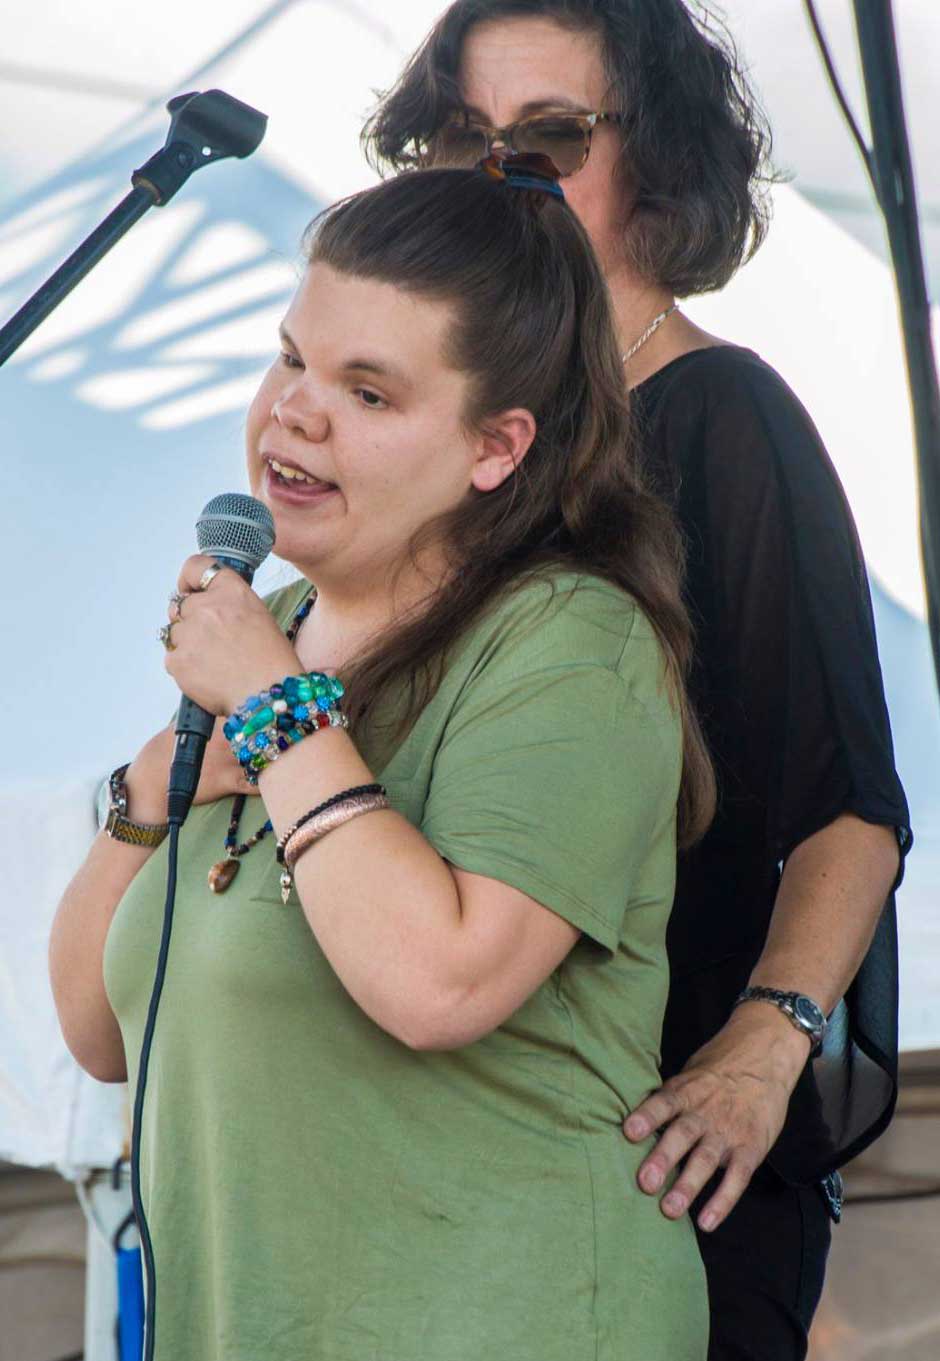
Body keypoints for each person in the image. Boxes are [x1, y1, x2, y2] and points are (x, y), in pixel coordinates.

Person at [49, 156, 717, 1360]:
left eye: (368, 391)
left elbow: (439, 984)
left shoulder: (572, 641)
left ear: (495, 447)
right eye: (292, 357)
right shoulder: (276, 633)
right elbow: (104, 1032)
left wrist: (274, 709)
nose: (294, 411)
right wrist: (142, 797)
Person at [362, 2, 911, 1358]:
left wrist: (765, 1047)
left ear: (656, 165)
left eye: (549, 139)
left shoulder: (724, 419)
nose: (505, 178)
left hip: (667, 1166)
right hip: (460, 1155)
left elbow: (849, 809)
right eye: (466, 141)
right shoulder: (461, 448)